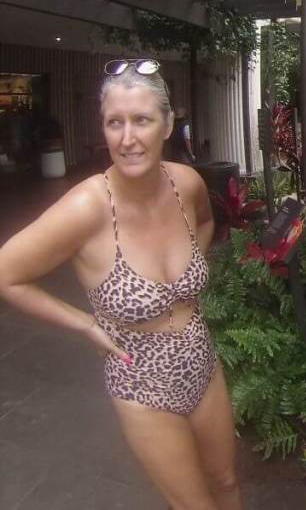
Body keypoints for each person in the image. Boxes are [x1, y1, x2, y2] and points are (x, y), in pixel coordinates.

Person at [0, 59, 241, 510]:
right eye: (115, 122)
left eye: (141, 120)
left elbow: (207, 222)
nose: (128, 138)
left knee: (226, 482)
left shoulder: (185, 183)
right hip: (139, 381)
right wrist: (86, 324)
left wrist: (184, 278)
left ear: (167, 124)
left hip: (202, 363)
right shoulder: (86, 208)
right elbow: (6, 274)